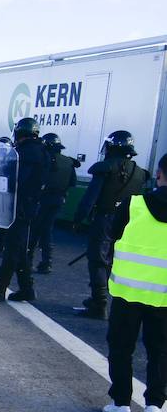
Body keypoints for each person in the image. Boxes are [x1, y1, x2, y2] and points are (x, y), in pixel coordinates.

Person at [101, 152, 167, 412]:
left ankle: (121, 404)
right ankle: (154, 407)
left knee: (121, 347)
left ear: (159, 174)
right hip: (164, 296)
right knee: (161, 351)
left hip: (128, 292)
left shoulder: (134, 204)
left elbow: (114, 234)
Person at [73, 130, 150, 320]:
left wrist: (78, 218)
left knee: (97, 260)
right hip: (127, 221)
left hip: (105, 219)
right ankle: (100, 299)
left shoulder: (105, 167)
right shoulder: (140, 173)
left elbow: (91, 197)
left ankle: (99, 304)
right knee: (112, 260)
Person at [0, 117, 49, 304]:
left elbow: (15, 181)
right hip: (32, 207)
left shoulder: (22, 153)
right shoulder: (43, 152)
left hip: (18, 207)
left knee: (12, 250)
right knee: (20, 249)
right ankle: (26, 289)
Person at [30, 132, 78, 275]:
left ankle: (27, 260)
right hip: (58, 200)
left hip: (42, 199)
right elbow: (72, 183)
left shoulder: (44, 160)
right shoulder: (69, 162)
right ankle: (47, 262)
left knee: (34, 231)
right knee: (47, 230)